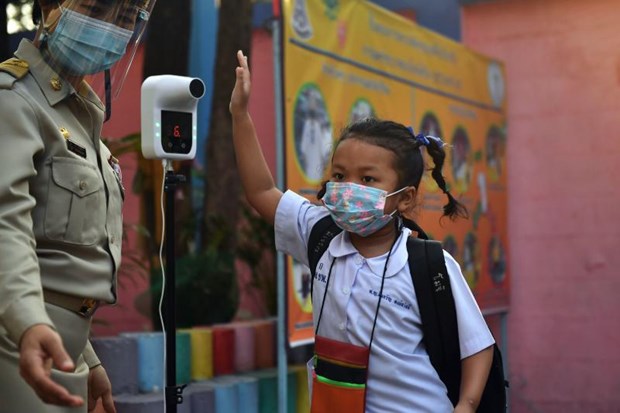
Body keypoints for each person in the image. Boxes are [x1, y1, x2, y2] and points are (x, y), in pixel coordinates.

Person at [230, 50, 495, 413]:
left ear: (405, 199)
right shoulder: (319, 234)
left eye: (368, 179)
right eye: (339, 176)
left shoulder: (428, 265)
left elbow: (477, 343)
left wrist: (466, 405)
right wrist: (240, 115)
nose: (348, 187)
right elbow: (260, 192)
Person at [0, 0, 155, 411]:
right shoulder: (12, 101)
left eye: (125, 19)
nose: (110, 28)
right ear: (49, 7)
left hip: (65, 351)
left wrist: (88, 358)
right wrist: (29, 323)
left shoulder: (81, 115)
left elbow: (59, 261)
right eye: (97, 8)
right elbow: (6, 229)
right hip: (17, 345)